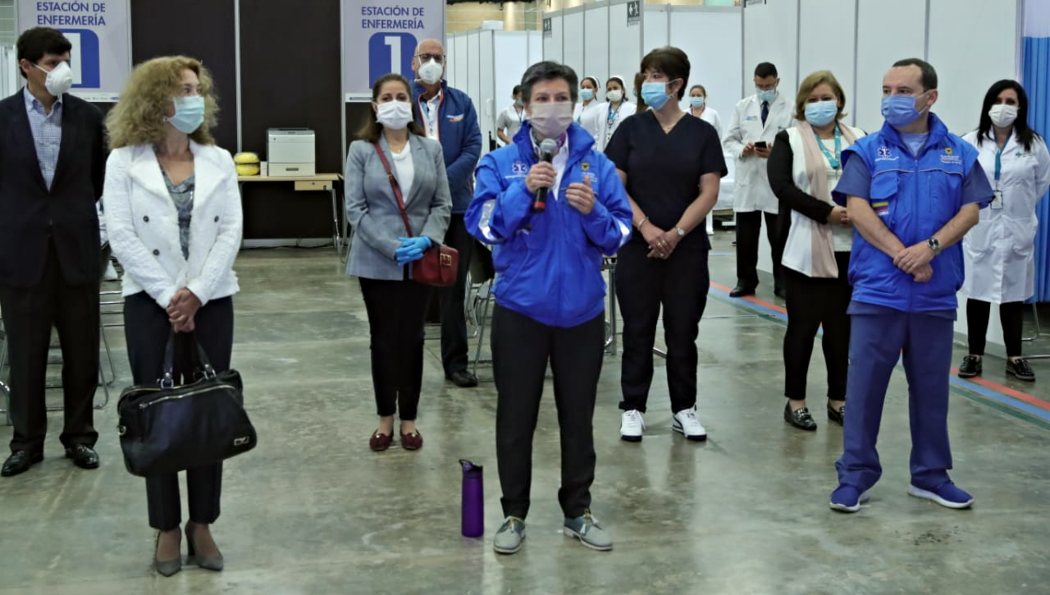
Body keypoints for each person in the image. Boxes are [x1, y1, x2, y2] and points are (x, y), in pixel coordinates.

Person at [466, 61, 632, 555]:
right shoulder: (500, 165)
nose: (552, 107)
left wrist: (594, 211)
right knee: (515, 417)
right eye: (542, 99)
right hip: (521, 310)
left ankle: (577, 511)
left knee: (578, 419)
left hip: (581, 312)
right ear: (523, 106)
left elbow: (621, 234)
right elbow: (485, 227)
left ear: (574, 105)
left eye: (561, 98)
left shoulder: (595, 165)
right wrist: (524, 190)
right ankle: (514, 513)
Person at [829, 58, 992, 513]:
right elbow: (857, 209)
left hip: (933, 292)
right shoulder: (867, 151)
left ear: (929, 97)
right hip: (878, 290)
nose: (891, 98)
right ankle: (855, 475)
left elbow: (971, 210)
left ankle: (931, 475)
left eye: (903, 89)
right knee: (863, 390)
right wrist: (904, 253)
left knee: (931, 391)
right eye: (886, 89)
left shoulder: (957, 153)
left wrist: (931, 249)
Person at [104, 56, 243, 576]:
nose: (194, 99)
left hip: (211, 301)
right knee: (156, 415)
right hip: (149, 302)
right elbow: (122, 236)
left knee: (207, 411)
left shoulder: (219, 158)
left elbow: (231, 231)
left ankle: (201, 522)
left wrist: (197, 294)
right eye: (182, 90)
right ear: (155, 99)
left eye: (197, 89)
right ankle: (165, 525)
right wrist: (171, 296)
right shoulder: (124, 162)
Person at [605, 47, 726, 443]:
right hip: (639, 248)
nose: (647, 83)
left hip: (686, 250)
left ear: (676, 84)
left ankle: (684, 408)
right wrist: (645, 228)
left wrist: (675, 233)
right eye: (644, 74)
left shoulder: (702, 133)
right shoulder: (630, 130)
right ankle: (634, 407)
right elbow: (616, 186)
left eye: (656, 76)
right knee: (638, 328)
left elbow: (709, 191)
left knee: (682, 331)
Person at [0, 27, 106, 478]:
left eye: (66, 59)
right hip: (20, 255)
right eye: (52, 61)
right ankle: (26, 443)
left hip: (76, 251)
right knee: (26, 355)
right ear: (26, 66)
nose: (62, 69)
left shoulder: (87, 117)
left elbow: (97, 181)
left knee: (82, 353)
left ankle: (80, 437)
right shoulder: (2, 117)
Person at [346, 73, 452, 453]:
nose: (395, 102)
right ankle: (384, 420)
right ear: (375, 106)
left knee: (413, 339)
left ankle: (409, 419)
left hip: (420, 261)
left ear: (412, 104)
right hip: (376, 262)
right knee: (383, 341)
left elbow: (443, 203)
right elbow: (355, 211)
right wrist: (391, 246)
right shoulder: (361, 150)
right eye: (387, 97)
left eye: (401, 96)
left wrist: (428, 238)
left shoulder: (430, 149)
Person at [768, 70, 864, 431]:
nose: (820, 104)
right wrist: (828, 213)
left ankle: (838, 399)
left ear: (839, 100)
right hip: (805, 250)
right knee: (802, 329)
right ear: (802, 104)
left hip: (852, 250)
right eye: (812, 99)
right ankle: (796, 402)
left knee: (842, 332)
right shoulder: (789, 138)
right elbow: (782, 187)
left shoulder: (860, 137)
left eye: (827, 97)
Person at [958, 80, 1050, 382]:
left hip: (1016, 228)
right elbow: (960, 181)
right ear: (988, 105)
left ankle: (1015, 357)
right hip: (982, 227)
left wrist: (1016, 210)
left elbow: (1041, 184)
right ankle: (974, 355)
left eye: (1010, 101)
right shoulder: (971, 141)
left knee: (1013, 295)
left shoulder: (1033, 143)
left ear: (1020, 106)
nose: (1004, 107)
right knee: (978, 294)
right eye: (998, 100)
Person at [410, 38, 482, 388]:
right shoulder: (401, 103)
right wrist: (425, 186)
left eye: (438, 57)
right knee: (410, 288)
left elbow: (473, 148)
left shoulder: (462, 103)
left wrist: (443, 182)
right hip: (413, 212)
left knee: (453, 289)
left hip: (457, 208)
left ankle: (456, 363)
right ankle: (406, 364)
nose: (432, 62)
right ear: (414, 63)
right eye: (426, 57)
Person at [724, 62, 794, 298]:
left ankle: (782, 282)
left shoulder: (791, 109)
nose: (763, 89)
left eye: (768, 85)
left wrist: (777, 151)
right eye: (759, 85)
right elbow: (729, 139)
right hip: (749, 181)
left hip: (776, 183)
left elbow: (797, 143)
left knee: (779, 238)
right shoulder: (743, 106)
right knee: (745, 238)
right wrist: (743, 149)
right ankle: (745, 281)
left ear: (777, 82)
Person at [688, 84, 723, 235]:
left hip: (706, 157)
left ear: (704, 97)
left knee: (707, 191)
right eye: (693, 95)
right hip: (687, 157)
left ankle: (708, 225)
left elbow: (719, 134)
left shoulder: (712, 114)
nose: (696, 98)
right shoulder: (684, 113)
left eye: (698, 95)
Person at [594, 75, 636, 151]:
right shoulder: (600, 108)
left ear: (623, 90)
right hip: (602, 151)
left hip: (623, 152)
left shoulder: (632, 109)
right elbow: (597, 133)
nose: (612, 91)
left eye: (615, 88)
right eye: (609, 89)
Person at [573, 75, 603, 140]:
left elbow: (599, 132)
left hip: (590, 146)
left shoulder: (600, 108)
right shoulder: (576, 107)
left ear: (596, 89)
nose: (585, 90)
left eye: (588, 87)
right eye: (583, 87)